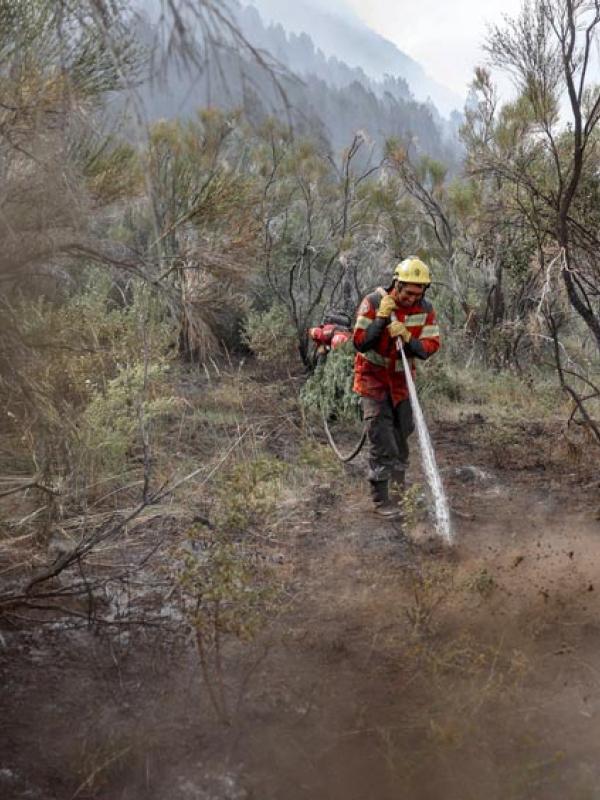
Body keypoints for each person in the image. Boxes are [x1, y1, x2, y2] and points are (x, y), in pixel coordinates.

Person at [352, 257, 441, 517]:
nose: (412, 298)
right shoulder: (374, 302)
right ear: (397, 284)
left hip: (402, 384)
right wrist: (380, 319)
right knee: (382, 441)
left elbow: (428, 348)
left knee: (402, 438)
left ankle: (401, 495)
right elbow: (360, 343)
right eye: (408, 292)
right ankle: (381, 501)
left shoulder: (425, 309)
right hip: (373, 381)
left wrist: (407, 337)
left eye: (418, 293)